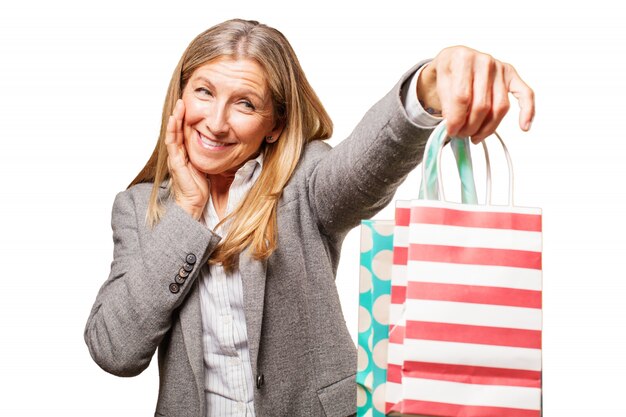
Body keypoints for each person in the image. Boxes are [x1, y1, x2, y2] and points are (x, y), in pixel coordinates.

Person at [84, 18, 534, 417]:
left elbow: (364, 168)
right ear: (180, 95)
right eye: (204, 91)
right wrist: (186, 210)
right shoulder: (137, 208)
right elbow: (116, 351)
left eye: (245, 104)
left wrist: (428, 87)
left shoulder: (304, 180)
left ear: (275, 124)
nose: (216, 123)